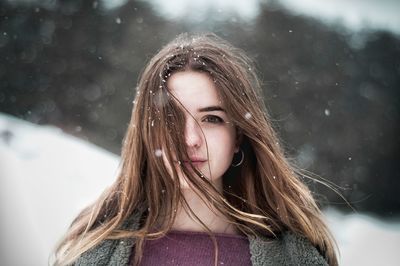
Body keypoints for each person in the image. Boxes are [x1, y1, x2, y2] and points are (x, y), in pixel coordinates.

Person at [54, 33, 338, 266]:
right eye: (171, 119)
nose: (189, 138)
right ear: (147, 133)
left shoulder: (294, 257)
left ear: (238, 136)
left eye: (211, 119)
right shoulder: (92, 248)